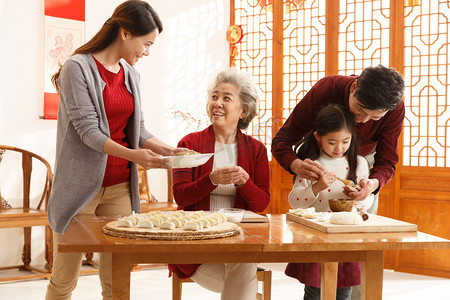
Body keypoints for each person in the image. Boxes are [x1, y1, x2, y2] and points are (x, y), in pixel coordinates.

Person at [45, 1, 185, 299]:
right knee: (64, 279)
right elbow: (89, 132)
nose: (147, 52)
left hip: (121, 188)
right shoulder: (77, 67)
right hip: (79, 190)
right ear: (125, 33)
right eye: (146, 43)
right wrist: (136, 156)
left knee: (117, 281)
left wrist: (168, 150)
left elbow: (139, 130)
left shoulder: (131, 75)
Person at [168, 69, 270, 300]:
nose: (217, 103)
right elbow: (180, 196)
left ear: (244, 110)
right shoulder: (189, 143)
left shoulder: (256, 150)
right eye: (214, 97)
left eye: (226, 98)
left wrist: (245, 182)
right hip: (197, 245)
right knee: (246, 278)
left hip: (237, 239)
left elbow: (262, 203)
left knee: (243, 262)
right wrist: (211, 180)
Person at [272, 64, 405, 214]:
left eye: (375, 117)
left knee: (363, 216)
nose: (364, 120)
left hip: (364, 161)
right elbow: (281, 141)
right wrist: (296, 165)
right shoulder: (326, 89)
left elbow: (387, 160)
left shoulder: (395, 108)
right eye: (360, 110)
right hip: (320, 159)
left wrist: (372, 184)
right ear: (354, 87)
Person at [286, 104, 373, 300]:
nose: (339, 148)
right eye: (332, 142)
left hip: (346, 238)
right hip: (316, 238)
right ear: (318, 137)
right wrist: (317, 187)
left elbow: (365, 205)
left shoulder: (359, 163)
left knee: (343, 293)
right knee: (314, 294)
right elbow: (295, 202)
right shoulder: (311, 164)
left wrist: (360, 197)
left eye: (346, 141)